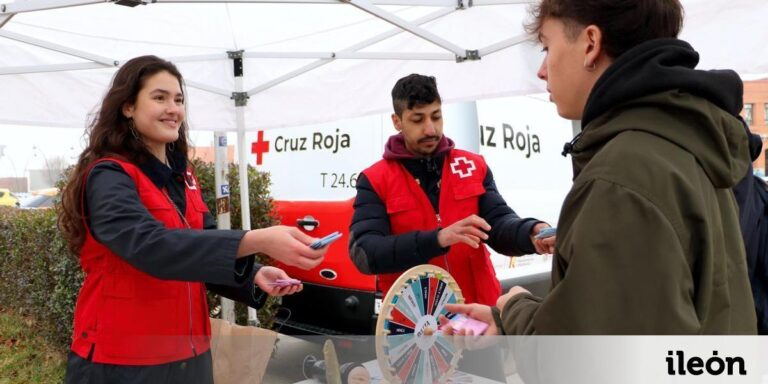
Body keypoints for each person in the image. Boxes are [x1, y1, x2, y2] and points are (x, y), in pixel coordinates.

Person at [443, 0, 757, 334]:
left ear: (590, 44)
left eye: (547, 48)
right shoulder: (685, 144)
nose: (542, 70)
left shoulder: (623, 176)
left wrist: (515, 310)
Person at [57, 55, 328, 383]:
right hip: (123, 361)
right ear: (128, 106)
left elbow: (198, 246)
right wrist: (258, 239)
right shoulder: (109, 176)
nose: (173, 108)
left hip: (190, 355)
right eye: (159, 98)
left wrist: (253, 274)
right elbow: (152, 247)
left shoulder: (183, 175)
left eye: (179, 99)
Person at [348, 74, 555, 306]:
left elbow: (497, 223)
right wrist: (437, 239)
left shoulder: (473, 166)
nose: (430, 129)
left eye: (436, 117)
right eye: (418, 119)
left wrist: (531, 233)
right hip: (416, 324)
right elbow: (365, 253)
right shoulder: (375, 179)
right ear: (397, 121)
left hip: (479, 315)